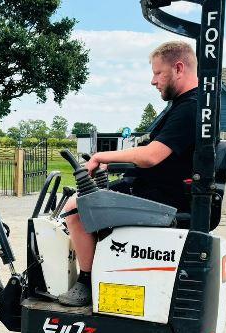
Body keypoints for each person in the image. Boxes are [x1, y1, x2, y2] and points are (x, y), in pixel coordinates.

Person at [57, 41, 199, 307]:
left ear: (179, 68)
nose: (153, 81)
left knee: (75, 209)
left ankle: (87, 282)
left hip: (163, 199)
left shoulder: (190, 108)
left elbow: (151, 155)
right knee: (87, 201)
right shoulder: (185, 105)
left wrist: (100, 157)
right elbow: (154, 156)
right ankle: (101, 272)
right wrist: (111, 167)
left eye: (158, 73)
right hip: (156, 191)